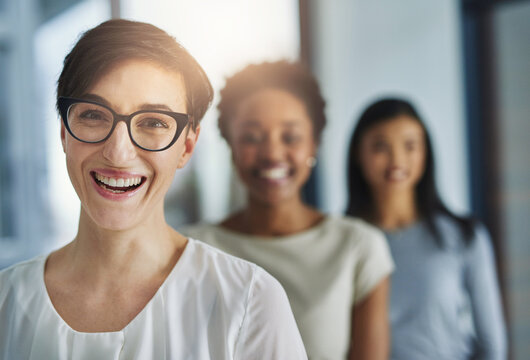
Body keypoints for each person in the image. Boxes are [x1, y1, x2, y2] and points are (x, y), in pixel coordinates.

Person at [0, 19, 307, 360]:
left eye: (153, 123)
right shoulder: (6, 302)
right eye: (93, 115)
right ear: (64, 133)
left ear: (187, 147)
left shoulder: (248, 301)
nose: (118, 153)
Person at [182, 61, 394, 360]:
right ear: (231, 146)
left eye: (290, 137)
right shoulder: (191, 250)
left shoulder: (358, 248)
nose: (272, 153)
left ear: (314, 144)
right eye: (252, 137)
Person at [346, 97, 507, 359]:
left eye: (410, 145)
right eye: (380, 146)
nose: (396, 159)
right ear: (357, 154)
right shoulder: (342, 241)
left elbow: (492, 344)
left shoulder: (465, 237)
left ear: (425, 152)